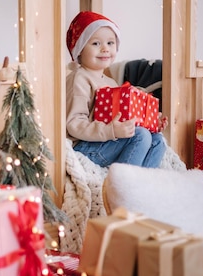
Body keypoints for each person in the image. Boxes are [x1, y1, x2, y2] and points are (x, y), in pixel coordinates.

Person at [65, 11, 166, 168]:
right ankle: (122, 185)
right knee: (140, 135)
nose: (105, 49)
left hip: (106, 142)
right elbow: (74, 124)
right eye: (96, 43)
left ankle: (141, 185)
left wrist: (152, 121)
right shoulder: (79, 78)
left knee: (158, 140)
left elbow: (123, 118)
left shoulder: (111, 82)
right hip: (85, 147)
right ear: (80, 49)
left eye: (110, 43)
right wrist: (111, 130)